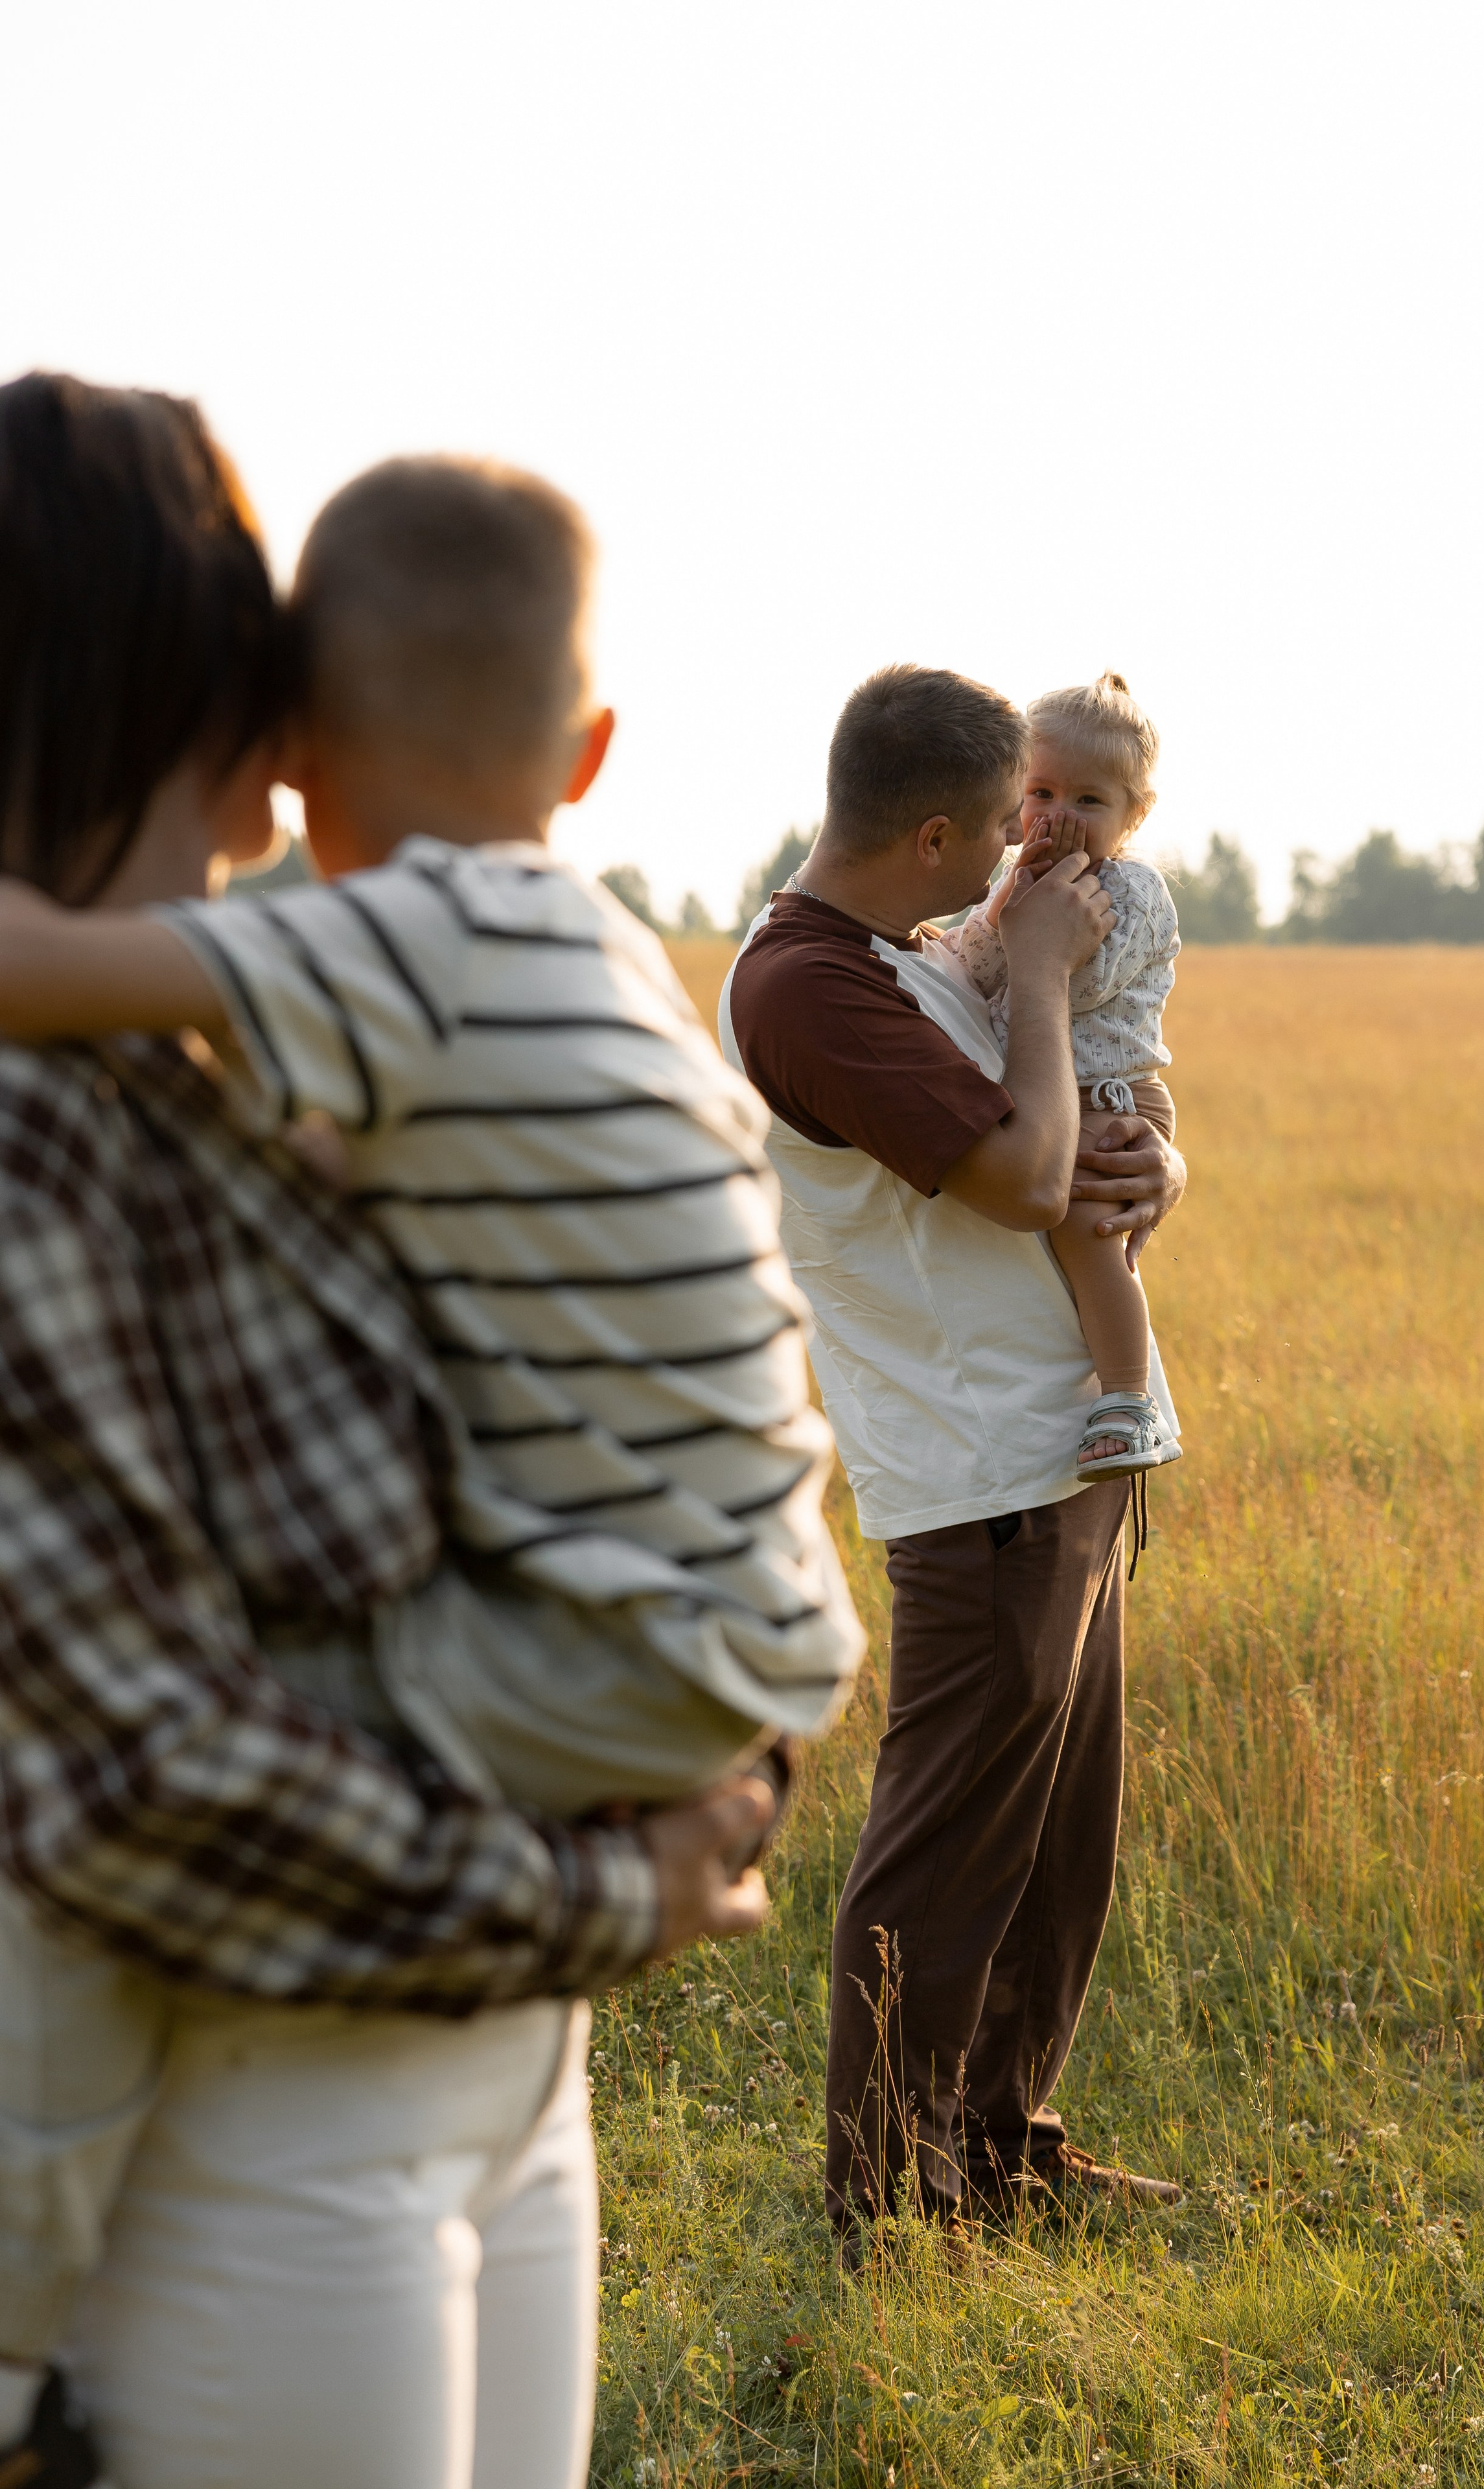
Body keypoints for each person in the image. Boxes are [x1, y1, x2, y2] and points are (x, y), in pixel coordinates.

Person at [0, 371, 774, 2489]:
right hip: (266, 2115)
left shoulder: (205, 1047)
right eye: (244, 669)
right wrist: (613, 1886)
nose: (279, 756)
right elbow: (140, 1776)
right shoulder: (31, 1121)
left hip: (508, 2075)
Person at [0, 451, 863, 1817]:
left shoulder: (403, 939)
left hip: (601, 1652)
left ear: (285, 748)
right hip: (747, 1613)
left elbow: (37, 968)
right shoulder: (591, 946)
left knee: (170, 1716)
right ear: (589, 757)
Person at [719, 663, 1188, 2245]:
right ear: (934, 832)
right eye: (1002, 826)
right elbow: (1018, 1173)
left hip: (1065, 1460)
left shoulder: (897, 961)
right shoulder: (806, 989)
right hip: (981, 1479)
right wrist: (1048, 978)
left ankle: (997, 2153)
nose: (1024, 856)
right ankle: (879, 2217)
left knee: (1054, 1855)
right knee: (937, 1868)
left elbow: (1073, 1143)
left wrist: (1158, 1157)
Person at [947, 668, 1183, 1479]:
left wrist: (1040, 919)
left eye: (1089, 801)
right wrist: (1015, 893)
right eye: (1041, 792)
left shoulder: (1135, 891)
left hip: (1111, 1097)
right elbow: (976, 968)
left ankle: (1128, 1400)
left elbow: (1074, 979)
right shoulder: (1013, 888)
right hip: (1053, 1097)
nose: (1059, 816)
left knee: (1092, 1239)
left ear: (1134, 814)